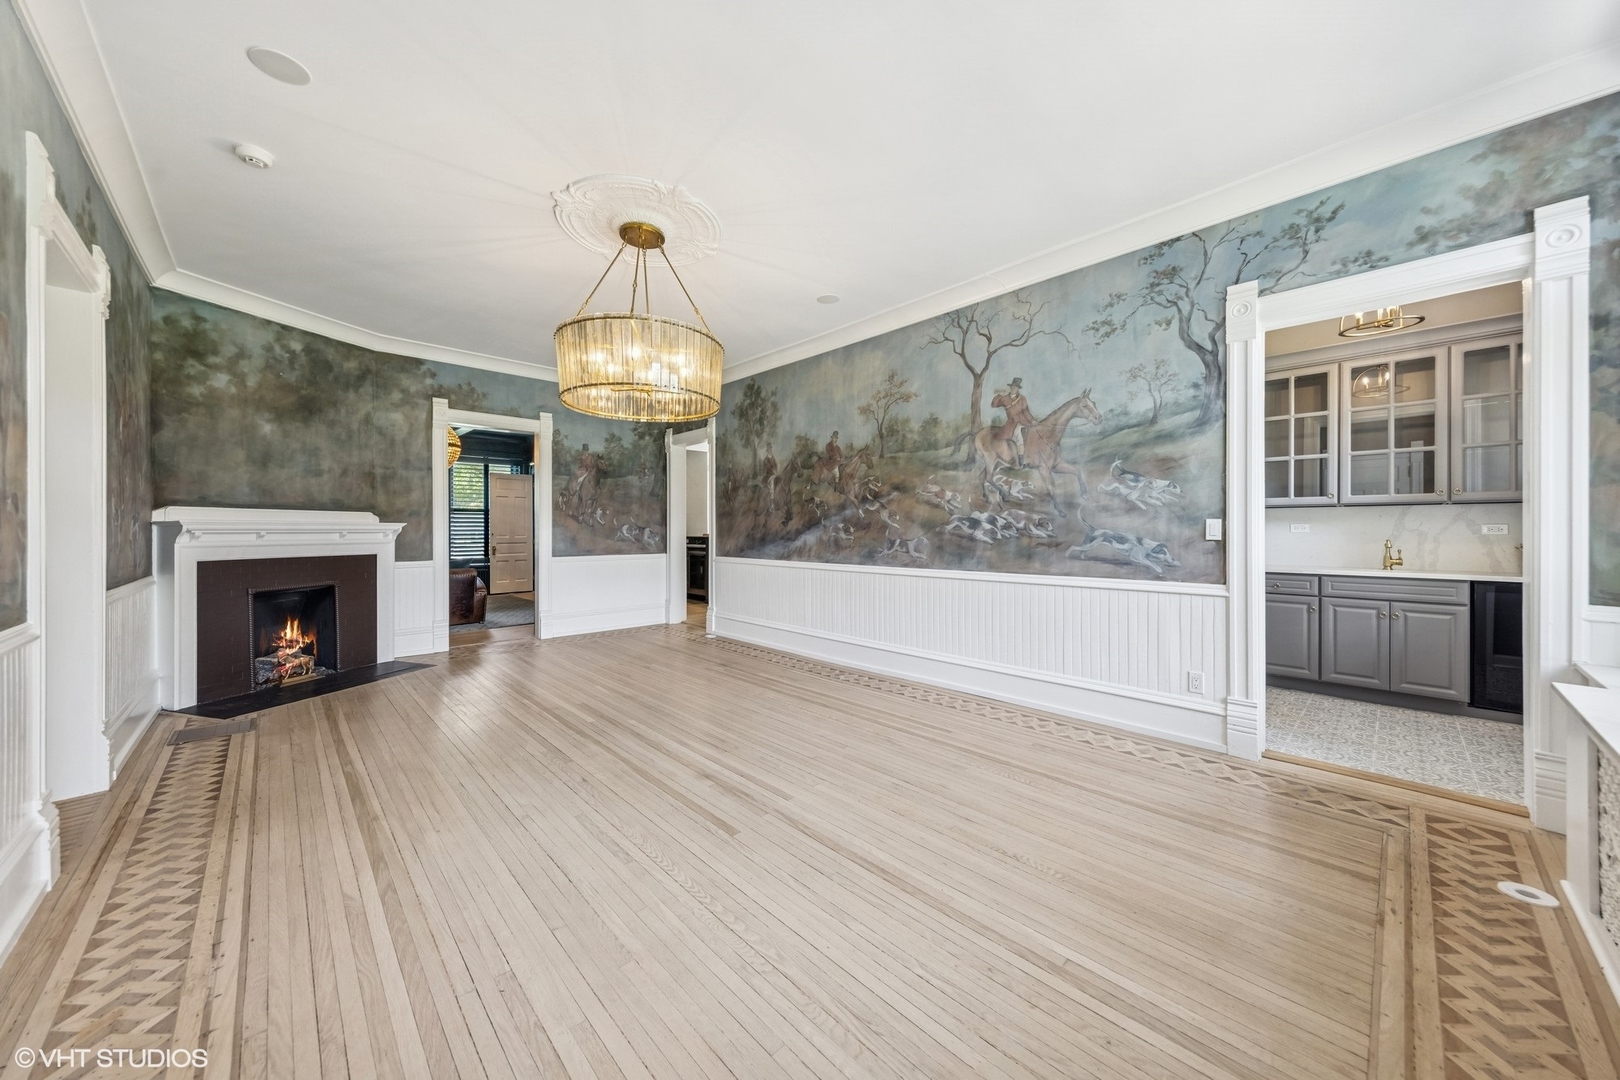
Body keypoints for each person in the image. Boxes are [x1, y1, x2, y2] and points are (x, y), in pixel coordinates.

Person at [1000, 378, 1032, 468]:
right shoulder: (1005, 398)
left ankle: (1024, 458)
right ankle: (1020, 462)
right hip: (1011, 423)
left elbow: (1026, 412)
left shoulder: (1022, 399)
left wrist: (1032, 420)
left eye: (1015, 387)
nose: (1014, 388)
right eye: (1012, 387)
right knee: (1018, 437)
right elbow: (994, 404)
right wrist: (999, 394)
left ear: (1018, 388)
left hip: (1022, 422)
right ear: (1010, 387)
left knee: (1029, 433)